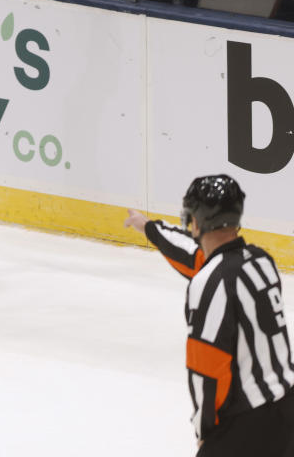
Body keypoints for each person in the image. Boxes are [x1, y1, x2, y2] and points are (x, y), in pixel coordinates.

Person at [124, 175, 294, 456]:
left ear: (197, 222)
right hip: (288, 409)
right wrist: (148, 228)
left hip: (249, 427)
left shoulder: (208, 283)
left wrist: (205, 432)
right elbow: (200, 258)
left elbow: (207, 367)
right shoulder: (262, 261)